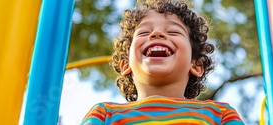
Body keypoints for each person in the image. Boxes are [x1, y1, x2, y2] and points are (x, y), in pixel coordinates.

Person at [81, 0, 245, 124]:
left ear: (195, 65)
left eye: (173, 31)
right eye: (144, 32)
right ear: (126, 65)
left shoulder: (219, 114)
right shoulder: (105, 114)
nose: (157, 33)